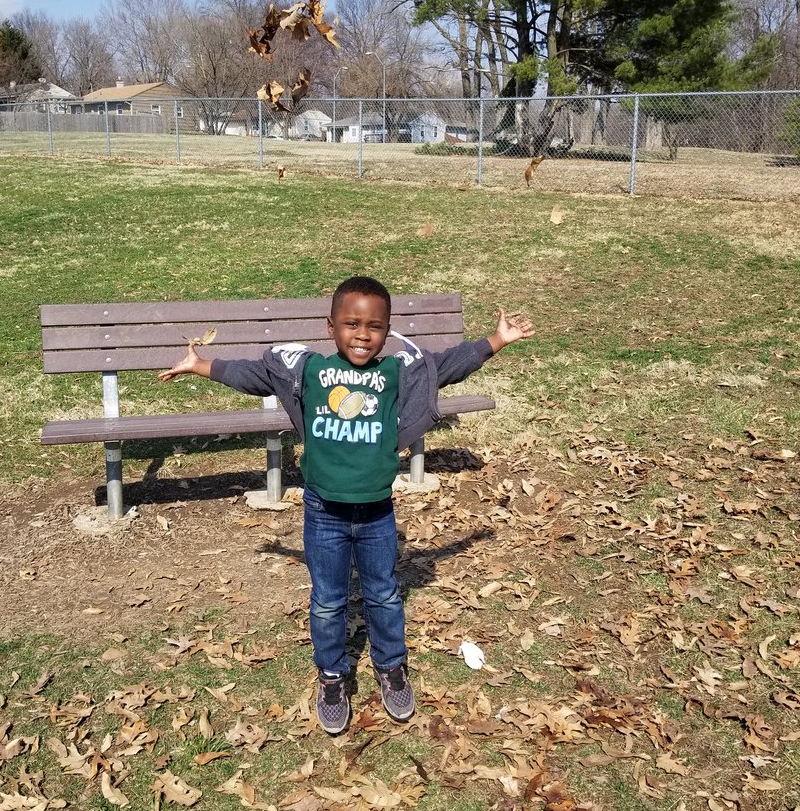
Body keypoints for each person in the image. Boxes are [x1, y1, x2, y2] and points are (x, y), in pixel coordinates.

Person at [159, 276, 535, 734]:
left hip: (377, 512)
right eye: (351, 323)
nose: (362, 334)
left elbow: (447, 366)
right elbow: (253, 376)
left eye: (374, 326)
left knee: (383, 594)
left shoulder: (394, 373)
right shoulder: (309, 372)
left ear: (387, 329)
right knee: (327, 601)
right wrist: (202, 366)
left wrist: (497, 340)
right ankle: (333, 675)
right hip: (324, 513)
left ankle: (391, 666)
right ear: (331, 326)